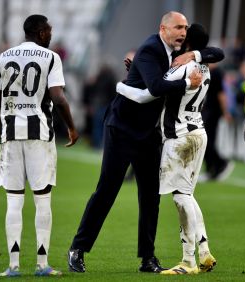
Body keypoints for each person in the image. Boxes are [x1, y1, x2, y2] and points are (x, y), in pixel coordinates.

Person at [67, 11, 224, 273]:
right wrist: (186, 81)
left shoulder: (176, 54)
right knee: (107, 191)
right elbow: (154, 88)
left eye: (185, 28)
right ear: (163, 29)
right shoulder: (151, 48)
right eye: (177, 27)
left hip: (149, 134)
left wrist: (194, 55)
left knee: (151, 196)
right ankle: (78, 249)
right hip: (123, 128)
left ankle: (148, 258)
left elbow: (216, 52)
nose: (182, 32)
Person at [117, 23, 217, 275]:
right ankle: (204, 252)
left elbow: (148, 92)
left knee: (181, 196)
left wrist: (121, 85)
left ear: (187, 43)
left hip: (179, 137)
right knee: (188, 194)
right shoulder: (204, 68)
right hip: (198, 133)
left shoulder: (180, 68)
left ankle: (188, 261)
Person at [0, 14, 79, 277]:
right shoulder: (51, 58)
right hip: (39, 135)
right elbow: (58, 97)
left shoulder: (3, 58)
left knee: (13, 202)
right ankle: (42, 264)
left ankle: (13, 266)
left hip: (10, 136)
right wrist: (72, 128)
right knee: (42, 201)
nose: (51, 35)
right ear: (40, 33)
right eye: (49, 31)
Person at [200, 63, 235, 181]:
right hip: (206, 110)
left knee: (208, 141)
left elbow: (221, 94)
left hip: (213, 111)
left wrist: (226, 112)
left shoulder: (217, 73)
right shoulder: (206, 71)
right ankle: (211, 169)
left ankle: (221, 163)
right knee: (203, 141)